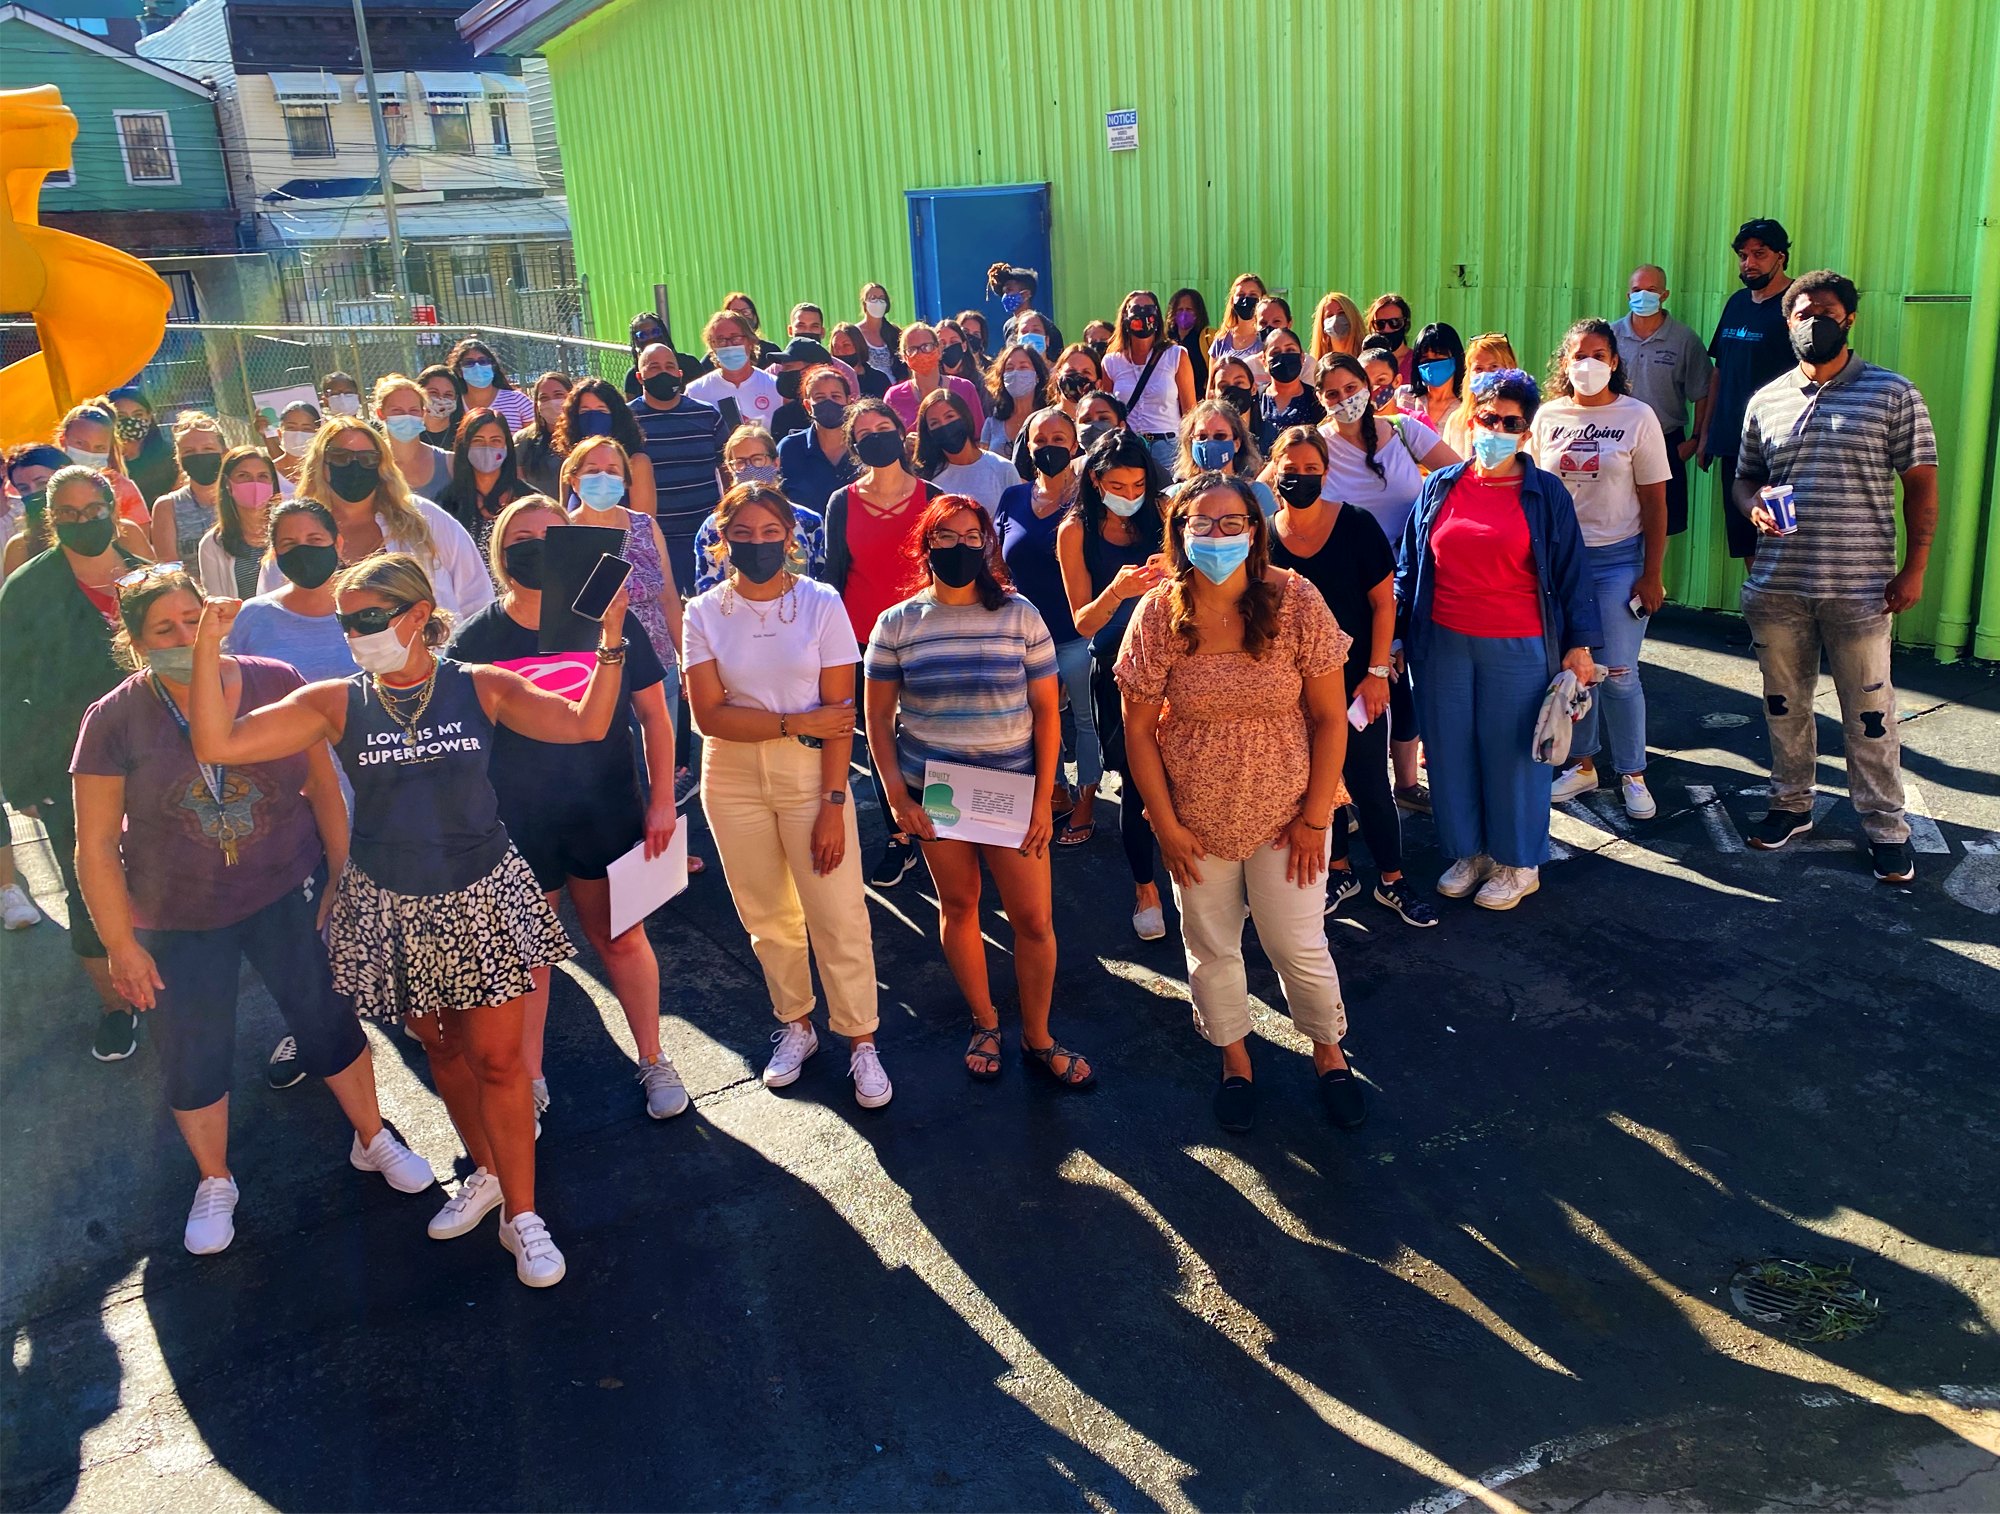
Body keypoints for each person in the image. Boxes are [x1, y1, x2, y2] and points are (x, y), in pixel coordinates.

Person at [188, 553, 629, 1288]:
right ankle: (484, 1171)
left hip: (481, 896)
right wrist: (207, 649)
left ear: (418, 615)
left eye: (369, 619)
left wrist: (610, 640)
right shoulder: (334, 702)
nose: (356, 634)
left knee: (499, 1060)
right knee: (445, 1053)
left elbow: (585, 724)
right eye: (347, 622)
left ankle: (524, 1216)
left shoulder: (478, 686)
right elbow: (218, 744)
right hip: (390, 906)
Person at [72, 566, 434, 1255]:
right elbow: (92, 847)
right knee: (193, 1048)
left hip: (282, 886)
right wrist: (120, 942)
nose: (186, 635)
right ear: (137, 643)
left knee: (327, 1015)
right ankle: (215, 1180)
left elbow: (324, 785)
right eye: (165, 629)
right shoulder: (114, 718)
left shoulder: (274, 679)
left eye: (193, 618)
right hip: (176, 915)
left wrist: (341, 870)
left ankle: (373, 1136)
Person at [1116, 472, 1364, 1133]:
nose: (1219, 535)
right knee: (1211, 944)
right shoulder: (1158, 614)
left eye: (1234, 524)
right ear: (1179, 532)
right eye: (1203, 523)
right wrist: (1164, 825)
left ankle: (1328, 1050)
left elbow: (1332, 719)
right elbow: (1137, 730)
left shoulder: (1297, 601)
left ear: (1255, 532)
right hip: (1193, 818)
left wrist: (1317, 819)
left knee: (1297, 944)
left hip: (1290, 816)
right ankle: (1235, 1056)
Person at [448, 500, 688, 1124]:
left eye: (546, 536)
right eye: (517, 536)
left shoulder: (611, 620)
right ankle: (527, 1079)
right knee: (530, 959)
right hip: (517, 822)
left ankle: (654, 1057)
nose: (532, 546)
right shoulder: (475, 639)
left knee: (622, 939)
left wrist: (661, 801)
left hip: (607, 809)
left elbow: (655, 718)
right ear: (498, 552)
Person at [864, 494, 1093, 1089]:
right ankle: (985, 1022)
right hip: (936, 794)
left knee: (1034, 921)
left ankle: (1037, 1036)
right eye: (946, 536)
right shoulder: (896, 625)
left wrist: (1044, 801)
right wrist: (896, 798)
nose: (960, 546)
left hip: (1011, 791)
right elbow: (877, 719)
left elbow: (1048, 715)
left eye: (973, 536)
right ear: (926, 545)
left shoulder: (1020, 615)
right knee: (960, 907)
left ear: (988, 545)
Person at [683, 483, 890, 1106]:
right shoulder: (703, 612)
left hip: (810, 778)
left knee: (838, 913)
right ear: (723, 540)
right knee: (766, 915)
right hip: (732, 776)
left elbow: (840, 711)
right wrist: (794, 722)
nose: (757, 544)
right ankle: (795, 1024)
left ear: (790, 537)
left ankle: (861, 1039)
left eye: (770, 533)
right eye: (742, 534)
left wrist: (833, 803)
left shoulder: (822, 603)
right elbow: (709, 717)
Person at [1733, 270, 1938, 882]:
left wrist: (1915, 568)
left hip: (1860, 588)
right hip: (1778, 588)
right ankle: (1791, 804)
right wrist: (1753, 506)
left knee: (1870, 714)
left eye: (1825, 311)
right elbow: (1743, 476)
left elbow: (1922, 487)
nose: (1812, 321)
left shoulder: (1892, 393)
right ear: (1786, 321)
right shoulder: (1765, 399)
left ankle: (1885, 825)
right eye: (1801, 312)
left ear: (1849, 319)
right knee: (1783, 705)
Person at [1397, 370, 1599, 912]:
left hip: (1519, 645)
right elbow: (1410, 566)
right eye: (1489, 418)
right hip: (1442, 643)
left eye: (1512, 422)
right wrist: (1393, 639)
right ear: (1471, 418)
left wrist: (1581, 645)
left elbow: (1573, 572)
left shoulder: (1546, 493)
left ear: (1526, 432)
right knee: (1449, 751)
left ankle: (1518, 862)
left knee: (1514, 755)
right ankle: (1470, 853)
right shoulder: (1439, 487)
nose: (1498, 430)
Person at [0, 465, 155, 1059]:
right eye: (69, 514)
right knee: (89, 884)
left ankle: (173, 978)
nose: (85, 522)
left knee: (163, 872)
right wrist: (22, 779)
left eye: (95, 511)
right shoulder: (27, 590)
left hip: (156, 759)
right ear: (51, 520)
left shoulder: (148, 581)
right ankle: (118, 1006)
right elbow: (9, 690)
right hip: (71, 769)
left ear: (115, 510)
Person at [1262, 427, 1436, 927]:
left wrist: (1379, 671)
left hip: (1358, 684)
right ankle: (1340, 870)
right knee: (1320, 782)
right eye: (1289, 471)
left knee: (1367, 783)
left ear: (1326, 472)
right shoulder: (1264, 537)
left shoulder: (1357, 525)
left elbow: (1384, 603)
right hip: (1292, 689)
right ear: (1274, 471)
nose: (1299, 479)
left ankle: (1393, 879)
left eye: (1310, 470)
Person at [1532, 320, 1671, 819]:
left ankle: (1633, 773)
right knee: (1577, 672)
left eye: (1598, 355)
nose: (1586, 364)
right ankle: (1584, 764)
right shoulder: (1548, 416)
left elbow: (1656, 502)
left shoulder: (1637, 416)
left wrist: (1651, 572)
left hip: (1618, 559)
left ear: (1614, 361)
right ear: (1564, 363)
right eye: (1577, 356)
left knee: (1619, 672)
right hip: (1560, 561)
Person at [1315, 354, 1459, 811]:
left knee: (1405, 680)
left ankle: (1407, 783)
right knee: (1364, 685)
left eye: (1350, 388)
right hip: (1352, 587)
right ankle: (1354, 793)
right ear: (1320, 399)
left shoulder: (1402, 431)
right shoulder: (1317, 445)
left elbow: (1461, 478)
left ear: (1368, 386)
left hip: (1413, 577)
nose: (1344, 400)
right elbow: (1271, 486)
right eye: (1332, 394)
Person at [1056, 428, 1168, 937]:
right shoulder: (1074, 531)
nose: (1129, 495)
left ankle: (1206, 878)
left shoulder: (1165, 513)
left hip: (1175, 662)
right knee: (1136, 783)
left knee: (1190, 772)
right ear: (1096, 481)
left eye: (1137, 484)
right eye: (1117, 485)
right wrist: (1117, 593)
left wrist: (1176, 569)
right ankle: (1146, 889)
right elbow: (1082, 622)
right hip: (1117, 667)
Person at [827, 400, 936, 887]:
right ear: (855, 444)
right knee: (880, 738)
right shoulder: (841, 502)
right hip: (863, 641)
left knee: (932, 732)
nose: (876, 437)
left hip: (926, 638)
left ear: (901, 433)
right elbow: (833, 578)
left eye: (884, 428)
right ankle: (899, 835)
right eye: (865, 432)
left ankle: (942, 824)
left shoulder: (933, 497)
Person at [996, 408, 1101, 845]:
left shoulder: (1087, 503)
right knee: (1036, 720)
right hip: (1023, 639)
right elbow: (998, 563)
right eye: (1041, 439)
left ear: (1075, 446)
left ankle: (1087, 803)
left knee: (1084, 720)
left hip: (1075, 635)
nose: (1050, 447)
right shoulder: (1012, 499)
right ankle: (1055, 791)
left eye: (1061, 438)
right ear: (1028, 445)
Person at [560, 439, 683, 728]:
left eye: (613, 470)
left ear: (625, 480)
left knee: (659, 759)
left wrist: (685, 660)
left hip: (657, 666)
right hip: (591, 673)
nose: (603, 478)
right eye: (592, 470)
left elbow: (668, 597)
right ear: (574, 481)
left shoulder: (646, 526)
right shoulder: (562, 531)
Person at [1703, 218, 1798, 561]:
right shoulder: (1737, 303)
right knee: (1747, 540)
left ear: (1781, 257)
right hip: (1733, 443)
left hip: (1779, 446)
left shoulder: (1798, 305)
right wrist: (1706, 435)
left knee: (1783, 537)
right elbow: (1720, 371)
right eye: (1743, 255)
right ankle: (1762, 614)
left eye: (1759, 254)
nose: (1749, 263)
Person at [1613, 265, 1712, 538]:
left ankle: (1652, 579)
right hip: (1616, 441)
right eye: (1636, 290)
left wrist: (1693, 440)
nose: (1643, 296)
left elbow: (1702, 390)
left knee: (1660, 526)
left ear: (1664, 294)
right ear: (1627, 295)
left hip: (1666, 442)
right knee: (1616, 518)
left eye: (1651, 290)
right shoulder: (1610, 337)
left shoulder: (1684, 339)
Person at [628, 344, 726, 591]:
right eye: (654, 367)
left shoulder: (707, 415)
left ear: (680, 374)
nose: (664, 373)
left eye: (670, 367)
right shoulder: (627, 422)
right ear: (640, 377)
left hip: (705, 535)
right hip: (655, 540)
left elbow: (726, 468)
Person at [227, 498, 357, 685]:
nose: (303, 551)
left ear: (337, 544)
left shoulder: (369, 612)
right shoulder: (249, 617)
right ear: (275, 553)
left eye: (314, 540)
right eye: (289, 544)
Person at [691, 425, 829, 593]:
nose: (750, 467)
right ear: (730, 468)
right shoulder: (715, 525)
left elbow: (820, 582)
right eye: (740, 462)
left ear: (775, 463)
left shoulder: (809, 521)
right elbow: (707, 587)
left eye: (757, 459)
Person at [1104, 289, 1197, 475]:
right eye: (1136, 309)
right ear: (1125, 316)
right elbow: (1108, 413)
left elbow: (1190, 411)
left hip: (1168, 447)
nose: (1143, 314)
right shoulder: (1111, 361)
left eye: (1149, 309)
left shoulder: (1176, 355)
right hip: (1129, 446)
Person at [554, 377, 658, 517]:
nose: (593, 417)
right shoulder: (569, 465)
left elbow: (644, 525)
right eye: (585, 411)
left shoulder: (637, 462)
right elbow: (564, 520)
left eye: (601, 410)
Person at [438, 409, 528, 562]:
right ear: (464, 446)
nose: (487, 447)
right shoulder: (446, 503)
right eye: (478, 441)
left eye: (495, 440)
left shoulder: (526, 499)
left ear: (507, 446)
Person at [777, 365, 859, 524]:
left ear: (849, 402)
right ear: (808, 406)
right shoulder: (789, 449)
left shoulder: (863, 446)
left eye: (835, 396)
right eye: (820, 397)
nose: (828, 402)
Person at [1171, 399, 1276, 517]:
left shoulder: (1257, 494)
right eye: (1202, 436)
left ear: (1237, 443)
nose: (1209, 442)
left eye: (1220, 436)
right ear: (1190, 443)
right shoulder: (1176, 495)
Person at [196, 447, 276, 600]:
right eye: (243, 476)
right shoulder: (212, 544)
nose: (254, 483)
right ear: (227, 483)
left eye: (263, 476)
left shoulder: (289, 531)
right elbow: (217, 601)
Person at [687, 308, 784, 433]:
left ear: (750, 341)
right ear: (713, 346)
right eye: (721, 340)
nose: (729, 345)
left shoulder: (775, 387)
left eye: (736, 338)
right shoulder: (696, 392)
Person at [916, 389, 1016, 509]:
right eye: (934, 423)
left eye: (950, 416)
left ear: (965, 417)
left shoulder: (1003, 468)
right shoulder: (927, 477)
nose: (944, 426)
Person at [150, 412, 226, 563]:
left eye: (208, 449)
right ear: (179, 458)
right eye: (189, 451)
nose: (199, 456)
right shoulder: (167, 507)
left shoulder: (242, 498)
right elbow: (171, 570)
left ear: (224, 453)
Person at [59, 403, 149, 526]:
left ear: (109, 449)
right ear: (63, 440)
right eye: (80, 443)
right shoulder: (42, 481)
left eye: (99, 448)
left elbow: (139, 539)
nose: (89, 452)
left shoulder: (122, 488)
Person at [886, 323, 984, 432]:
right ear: (904, 357)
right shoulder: (893, 396)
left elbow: (979, 437)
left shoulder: (965, 388)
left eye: (927, 347)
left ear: (939, 350)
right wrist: (904, 444)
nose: (920, 353)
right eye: (912, 350)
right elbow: (889, 443)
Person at [374, 374, 453, 501]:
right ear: (381, 413)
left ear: (423, 413)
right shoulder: (370, 465)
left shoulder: (449, 462)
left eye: (413, 410)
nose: (407, 416)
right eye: (397, 411)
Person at [1251, 325, 1324, 451]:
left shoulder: (1317, 400)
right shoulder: (1255, 399)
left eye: (1290, 350)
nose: (1283, 357)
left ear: (1302, 358)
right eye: (1276, 352)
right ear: (1264, 361)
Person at [2, 444, 69, 576]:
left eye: (42, 483)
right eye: (24, 488)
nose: (34, 493)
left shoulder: (108, 528)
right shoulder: (20, 547)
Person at [1450, 332, 1522, 450]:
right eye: (1479, 368)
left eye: (1494, 367)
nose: (1486, 374)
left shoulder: (1524, 418)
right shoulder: (1457, 421)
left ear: (1511, 368)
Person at [109, 387, 179, 507]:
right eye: (121, 416)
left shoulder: (169, 456)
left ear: (149, 416)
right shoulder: (103, 459)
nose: (131, 421)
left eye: (138, 415)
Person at [448, 338, 533, 432]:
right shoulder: (452, 405)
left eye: (482, 361)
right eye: (469, 363)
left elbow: (534, 436)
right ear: (459, 371)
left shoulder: (518, 401)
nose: (477, 367)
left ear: (492, 366)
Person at [980, 341, 1051, 454]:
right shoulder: (993, 423)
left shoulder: (1051, 418)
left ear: (1037, 375)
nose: (1016, 372)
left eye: (1023, 367)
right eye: (1009, 368)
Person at [1411, 323, 1469, 452]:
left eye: (1439, 356)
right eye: (1425, 358)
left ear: (1456, 358)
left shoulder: (1466, 407)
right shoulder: (1403, 397)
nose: (1431, 364)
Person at [513, 372, 574, 495]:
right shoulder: (523, 440)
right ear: (536, 405)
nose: (552, 402)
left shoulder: (583, 436)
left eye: (558, 395)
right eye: (544, 398)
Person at [990, 261, 1064, 355]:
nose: (1005, 296)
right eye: (1004, 292)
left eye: (1009, 290)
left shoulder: (1049, 329)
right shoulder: (1008, 326)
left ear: (1026, 294)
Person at [1209, 273, 1269, 382]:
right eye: (1241, 295)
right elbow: (1211, 388)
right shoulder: (1221, 340)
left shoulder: (1267, 338)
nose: (1246, 300)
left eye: (1253, 295)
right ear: (1232, 301)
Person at [766, 337, 828, 442]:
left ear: (813, 369)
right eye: (783, 368)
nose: (782, 373)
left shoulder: (840, 411)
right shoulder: (783, 416)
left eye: (788, 367)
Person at [1167, 286, 1213, 398]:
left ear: (1198, 313)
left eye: (1189, 310)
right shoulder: (1165, 340)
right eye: (1180, 310)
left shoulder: (1206, 338)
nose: (1184, 314)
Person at [856, 282, 905, 384]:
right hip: (870, 389)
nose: (878, 302)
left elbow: (903, 365)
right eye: (873, 298)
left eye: (882, 298)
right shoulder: (856, 333)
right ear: (864, 303)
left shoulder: (894, 332)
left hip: (894, 389)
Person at [270, 400, 321, 498]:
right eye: (291, 428)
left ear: (317, 434)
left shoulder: (325, 471)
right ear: (280, 433)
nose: (298, 435)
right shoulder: (269, 471)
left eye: (306, 429)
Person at [830, 322, 892, 400]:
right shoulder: (830, 380)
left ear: (858, 346)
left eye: (846, 345)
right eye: (836, 346)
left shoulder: (879, 379)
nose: (840, 351)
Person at [721, 290, 784, 365]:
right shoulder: (719, 353)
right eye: (735, 312)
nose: (741, 317)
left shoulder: (770, 350)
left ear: (754, 316)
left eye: (746, 312)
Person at [1366, 293, 1416, 384]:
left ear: (1406, 323)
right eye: (1380, 324)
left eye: (1394, 322)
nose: (1387, 329)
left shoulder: (1417, 362)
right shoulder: (1364, 364)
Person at [935, 319, 987, 406]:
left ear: (964, 346)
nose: (948, 346)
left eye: (953, 342)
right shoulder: (933, 381)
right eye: (942, 343)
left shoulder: (981, 382)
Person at [416, 364, 465, 449]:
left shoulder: (464, 434)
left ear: (456, 399)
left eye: (448, 394)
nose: (440, 398)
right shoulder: (409, 432)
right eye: (433, 392)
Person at [1310, 292, 1365, 364]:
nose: (1335, 319)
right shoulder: (1316, 365)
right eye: (1329, 315)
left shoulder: (1366, 358)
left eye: (1341, 313)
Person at [1209, 355, 1259, 420]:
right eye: (1224, 386)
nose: (1232, 390)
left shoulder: (1270, 425)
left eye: (1239, 383)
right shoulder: (1207, 428)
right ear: (1213, 395)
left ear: (1253, 388)